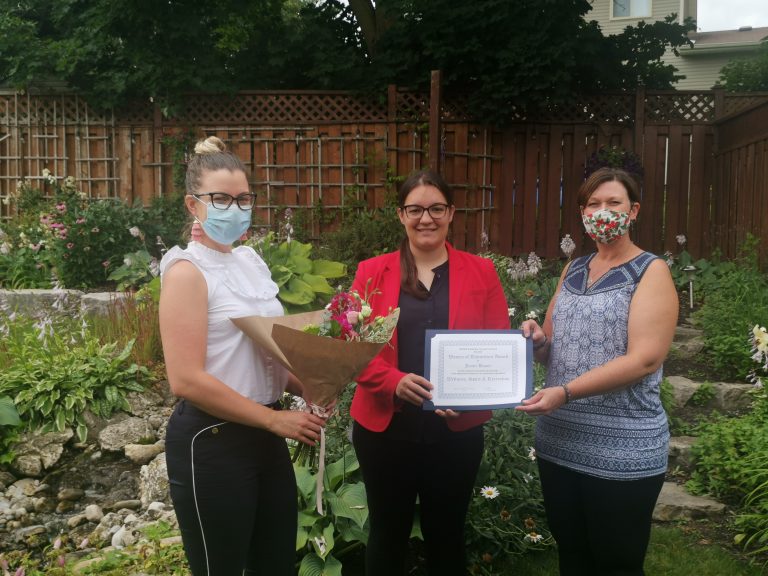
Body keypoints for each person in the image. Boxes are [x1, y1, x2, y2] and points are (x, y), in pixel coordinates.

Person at [158, 136, 326, 576]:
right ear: (193, 205)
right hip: (213, 441)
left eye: (242, 198)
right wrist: (274, 419)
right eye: (220, 199)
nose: (234, 208)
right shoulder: (186, 273)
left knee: (275, 566)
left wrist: (311, 383)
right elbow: (186, 379)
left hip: (266, 437)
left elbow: (266, 351)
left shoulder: (251, 262)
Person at [517, 166, 678, 576]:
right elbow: (550, 347)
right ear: (582, 212)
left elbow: (644, 359)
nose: (602, 212)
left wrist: (565, 392)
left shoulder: (651, 271)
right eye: (593, 204)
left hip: (622, 446)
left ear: (634, 210)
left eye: (613, 203)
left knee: (617, 562)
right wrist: (537, 341)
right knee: (572, 554)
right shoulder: (573, 270)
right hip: (560, 440)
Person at [349, 169, 510, 576]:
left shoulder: (481, 272)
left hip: (456, 430)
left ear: (451, 213)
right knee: (387, 533)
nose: (426, 219)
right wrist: (393, 381)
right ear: (401, 215)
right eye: (416, 209)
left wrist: (471, 397)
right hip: (385, 430)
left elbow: (496, 348)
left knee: (448, 534)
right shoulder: (371, 272)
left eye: (436, 208)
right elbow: (352, 349)